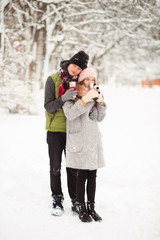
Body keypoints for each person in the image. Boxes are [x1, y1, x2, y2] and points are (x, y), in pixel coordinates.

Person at [44, 51, 89, 216]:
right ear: (69, 63)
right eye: (74, 65)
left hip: (74, 130)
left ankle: (76, 200)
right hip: (55, 131)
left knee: (73, 168)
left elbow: (86, 106)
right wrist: (63, 98)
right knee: (55, 167)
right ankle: (57, 198)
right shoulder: (53, 79)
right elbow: (48, 106)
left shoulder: (81, 83)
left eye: (79, 68)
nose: (75, 70)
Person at [63, 67, 106, 222]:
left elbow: (101, 117)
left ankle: (91, 207)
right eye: (87, 79)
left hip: (92, 139)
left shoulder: (95, 93)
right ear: (81, 80)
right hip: (79, 139)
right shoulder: (72, 94)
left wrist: (100, 103)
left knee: (92, 175)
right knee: (81, 175)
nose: (90, 82)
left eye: (93, 79)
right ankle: (81, 207)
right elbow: (69, 113)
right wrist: (85, 99)